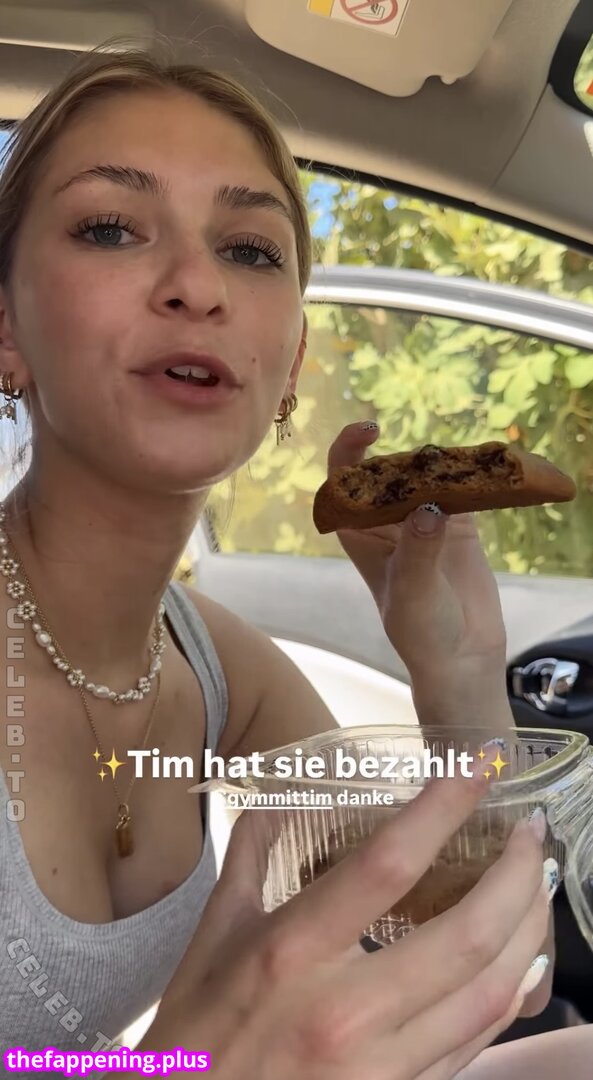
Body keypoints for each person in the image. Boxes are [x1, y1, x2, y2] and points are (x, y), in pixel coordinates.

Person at [0, 42, 587, 1078]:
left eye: (250, 250)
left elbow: (490, 965)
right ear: (6, 327)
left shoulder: (220, 671)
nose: (197, 286)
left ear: (290, 368)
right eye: (109, 228)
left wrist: (455, 671)